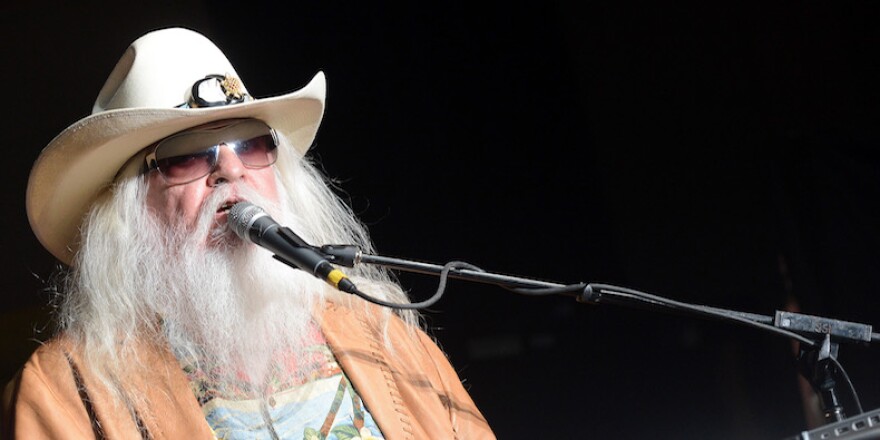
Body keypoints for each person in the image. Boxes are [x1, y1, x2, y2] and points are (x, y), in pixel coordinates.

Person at [2, 27, 494, 439]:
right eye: (189, 155)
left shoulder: (383, 335)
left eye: (253, 145)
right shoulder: (62, 389)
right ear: (128, 213)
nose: (232, 171)